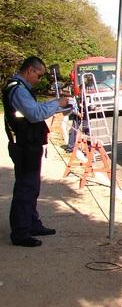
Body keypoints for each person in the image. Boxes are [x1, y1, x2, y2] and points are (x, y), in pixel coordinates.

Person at [2, 56, 69, 247]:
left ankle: (32, 223)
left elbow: (35, 109)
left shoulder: (18, 88)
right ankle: (21, 233)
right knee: (26, 188)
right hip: (24, 145)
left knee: (31, 187)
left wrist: (57, 106)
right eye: (38, 75)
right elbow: (34, 114)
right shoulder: (18, 90)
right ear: (30, 70)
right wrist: (57, 104)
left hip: (27, 144)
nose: (39, 80)